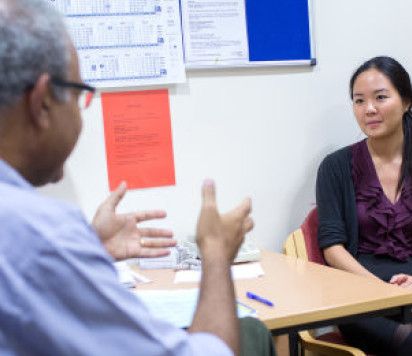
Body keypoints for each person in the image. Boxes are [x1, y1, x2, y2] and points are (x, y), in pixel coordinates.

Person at [0, 1, 276, 355]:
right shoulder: (41, 235)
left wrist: (89, 248)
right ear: (41, 102)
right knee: (250, 334)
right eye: (80, 95)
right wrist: (217, 254)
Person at [316, 56, 412, 355]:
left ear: (406, 101)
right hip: (361, 293)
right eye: (359, 101)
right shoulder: (335, 167)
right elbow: (332, 247)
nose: (369, 109)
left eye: (380, 97)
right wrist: (378, 290)